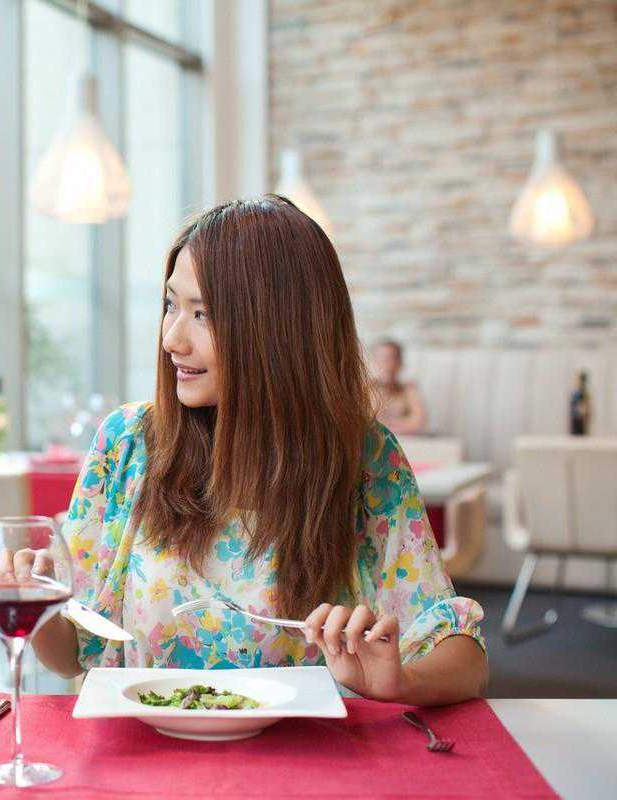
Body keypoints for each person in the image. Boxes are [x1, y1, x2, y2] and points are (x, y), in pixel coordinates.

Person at [30, 197, 487, 706]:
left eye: (202, 314)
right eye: (170, 305)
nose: (172, 339)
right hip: (148, 749)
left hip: (305, 755)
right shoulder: (127, 443)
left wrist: (401, 681)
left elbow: (461, 654)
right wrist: (36, 600)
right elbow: (71, 652)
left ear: (277, 329)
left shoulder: (364, 458)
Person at [371, 340, 428, 434]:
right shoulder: (365, 389)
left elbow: (419, 422)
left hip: (403, 439)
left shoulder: (409, 389)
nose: (388, 364)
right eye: (382, 359)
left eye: (393, 358)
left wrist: (383, 424)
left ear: (400, 363)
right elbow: (362, 422)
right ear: (373, 362)